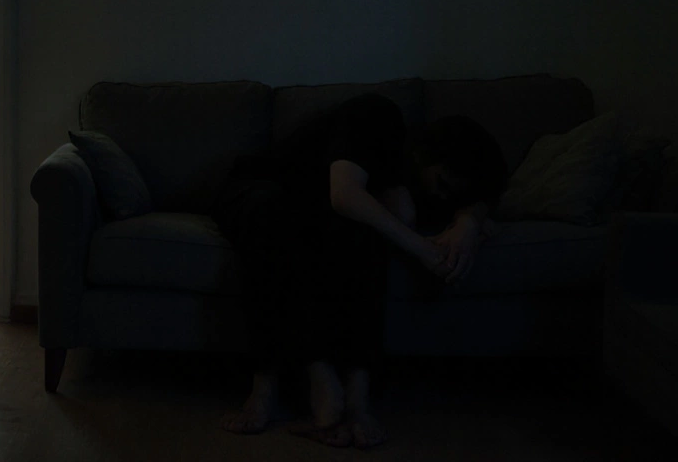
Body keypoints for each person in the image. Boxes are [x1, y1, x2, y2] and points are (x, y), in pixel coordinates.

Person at [212, 92, 507, 449]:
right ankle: (274, 388)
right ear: (423, 155)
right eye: (441, 185)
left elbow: (486, 202)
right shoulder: (376, 117)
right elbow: (343, 194)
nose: (442, 199)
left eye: (452, 196)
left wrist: (469, 223)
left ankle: (356, 402)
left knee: (366, 233)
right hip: (260, 185)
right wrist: (422, 249)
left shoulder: (425, 189)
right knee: (275, 222)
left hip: (312, 211)